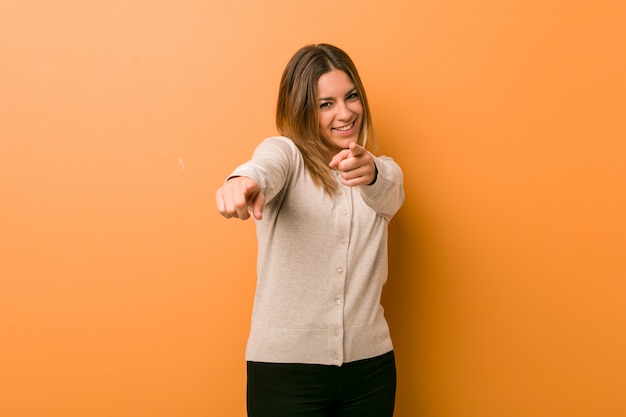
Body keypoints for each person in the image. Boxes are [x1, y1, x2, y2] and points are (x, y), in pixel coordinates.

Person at [216, 43, 404, 417]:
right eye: (326, 104)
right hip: (285, 373)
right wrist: (241, 180)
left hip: (371, 371)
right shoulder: (286, 155)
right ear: (302, 110)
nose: (345, 112)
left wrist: (371, 173)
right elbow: (264, 165)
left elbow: (388, 192)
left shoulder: (385, 171)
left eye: (351, 97)